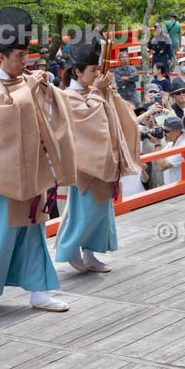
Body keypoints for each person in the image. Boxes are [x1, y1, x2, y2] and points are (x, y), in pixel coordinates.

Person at [0, 7, 77, 312]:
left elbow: (47, 112)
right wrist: (30, 88)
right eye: (18, 57)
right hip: (3, 175)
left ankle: (39, 291)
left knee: (34, 229)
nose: (24, 62)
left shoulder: (25, 81)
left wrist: (45, 89)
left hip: (31, 171)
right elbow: (4, 116)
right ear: (1, 57)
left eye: (25, 56)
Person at [55, 31, 141, 275]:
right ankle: (70, 248)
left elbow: (113, 116)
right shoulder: (68, 96)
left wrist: (105, 93)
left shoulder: (93, 91)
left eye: (98, 70)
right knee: (86, 212)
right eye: (93, 71)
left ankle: (91, 253)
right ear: (78, 72)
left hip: (104, 162)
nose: (97, 75)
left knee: (101, 213)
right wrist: (96, 93)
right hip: (84, 166)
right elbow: (86, 122)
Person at [156, 117, 185, 185]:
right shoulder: (171, 144)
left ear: (177, 132)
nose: (163, 134)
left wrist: (157, 144)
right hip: (171, 186)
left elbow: (162, 166)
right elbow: (155, 162)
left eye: (166, 131)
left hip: (179, 188)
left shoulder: (183, 146)